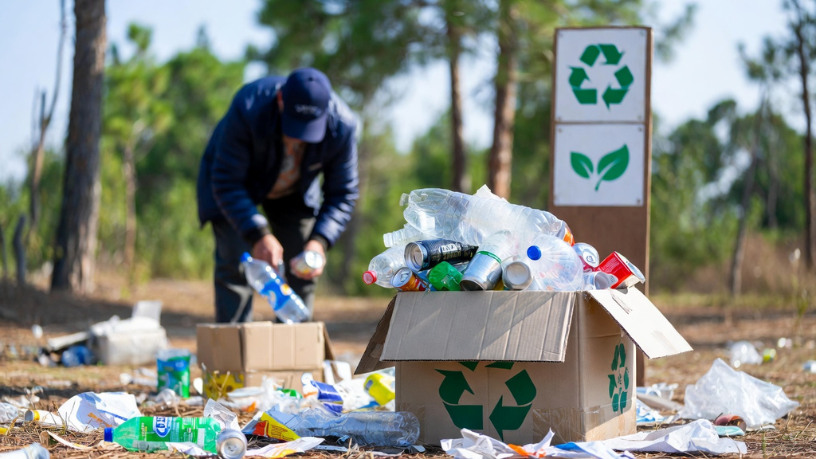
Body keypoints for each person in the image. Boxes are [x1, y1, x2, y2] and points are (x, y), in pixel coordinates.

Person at [197, 68, 359, 323]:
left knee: (303, 266)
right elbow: (227, 181)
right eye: (294, 125)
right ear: (281, 100)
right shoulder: (249, 107)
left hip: (295, 193)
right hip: (237, 187)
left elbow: (343, 193)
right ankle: (233, 353)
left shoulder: (343, 126)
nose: (298, 137)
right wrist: (258, 234)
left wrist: (320, 241)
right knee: (236, 264)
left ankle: (292, 352)